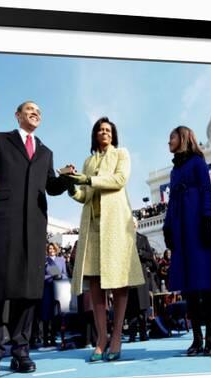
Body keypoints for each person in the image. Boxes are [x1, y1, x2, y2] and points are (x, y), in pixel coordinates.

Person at [0, 100, 69, 378]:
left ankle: (21, 351)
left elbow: (51, 187)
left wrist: (66, 178)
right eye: (30, 109)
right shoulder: (1, 140)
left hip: (34, 226)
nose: (36, 112)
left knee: (29, 289)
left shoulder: (45, 152)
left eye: (39, 110)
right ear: (18, 115)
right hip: (3, 222)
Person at [63, 116, 145, 362]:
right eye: (100, 130)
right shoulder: (88, 161)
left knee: (119, 281)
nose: (104, 132)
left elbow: (120, 180)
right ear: (94, 135)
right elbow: (85, 195)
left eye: (108, 130)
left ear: (113, 135)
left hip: (116, 224)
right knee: (96, 284)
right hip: (93, 225)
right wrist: (71, 187)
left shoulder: (121, 154)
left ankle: (117, 336)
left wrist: (87, 180)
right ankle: (102, 337)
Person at [162, 126, 211, 356]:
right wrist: (167, 226)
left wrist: (207, 218)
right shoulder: (174, 170)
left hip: (197, 225)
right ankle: (196, 337)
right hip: (180, 228)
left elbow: (207, 190)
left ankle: (210, 337)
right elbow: (171, 201)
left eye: (172, 136)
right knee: (188, 285)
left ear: (184, 138)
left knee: (204, 283)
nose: (169, 141)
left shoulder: (198, 162)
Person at [126, 217, 156, 342]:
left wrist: (141, 253)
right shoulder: (124, 239)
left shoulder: (143, 239)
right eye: (130, 223)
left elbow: (150, 255)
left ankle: (144, 334)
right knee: (131, 308)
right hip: (128, 277)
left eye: (134, 223)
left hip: (142, 277)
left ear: (137, 225)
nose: (133, 225)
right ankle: (132, 335)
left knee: (143, 308)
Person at [41, 242, 69, 346]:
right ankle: (45, 339)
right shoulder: (44, 260)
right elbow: (41, 277)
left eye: (53, 248)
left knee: (55, 315)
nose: (51, 250)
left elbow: (65, 274)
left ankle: (53, 339)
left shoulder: (61, 260)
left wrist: (60, 276)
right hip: (47, 289)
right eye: (49, 248)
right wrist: (52, 276)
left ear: (56, 249)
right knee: (46, 314)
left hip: (58, 290)